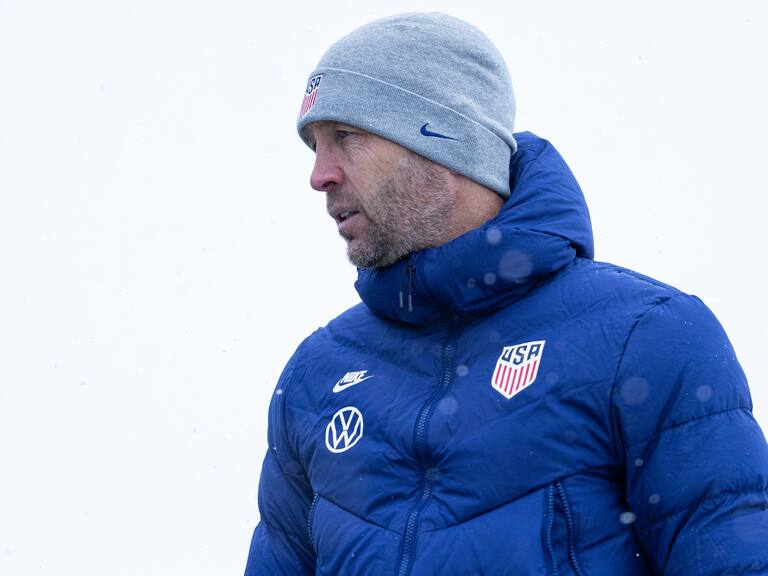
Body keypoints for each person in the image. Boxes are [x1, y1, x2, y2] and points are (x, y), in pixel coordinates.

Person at [244, 12, 768, 575]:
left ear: (442, 141)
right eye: (315, 148)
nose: (320, 175)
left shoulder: (646, 338)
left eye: (345, 137)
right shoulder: (316, 378)